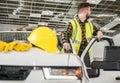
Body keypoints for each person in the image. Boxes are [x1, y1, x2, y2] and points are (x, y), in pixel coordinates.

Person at [62, 2, 103, 66]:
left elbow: (97, 32)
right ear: (85, 11)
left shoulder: (90, 24)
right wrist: (65, 42)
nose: (90, 12)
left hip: (85, 55)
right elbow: (65, 34)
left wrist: (99, 32)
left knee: (84, 74)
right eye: (89, 10)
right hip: (72, 54)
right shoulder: (72, 23)